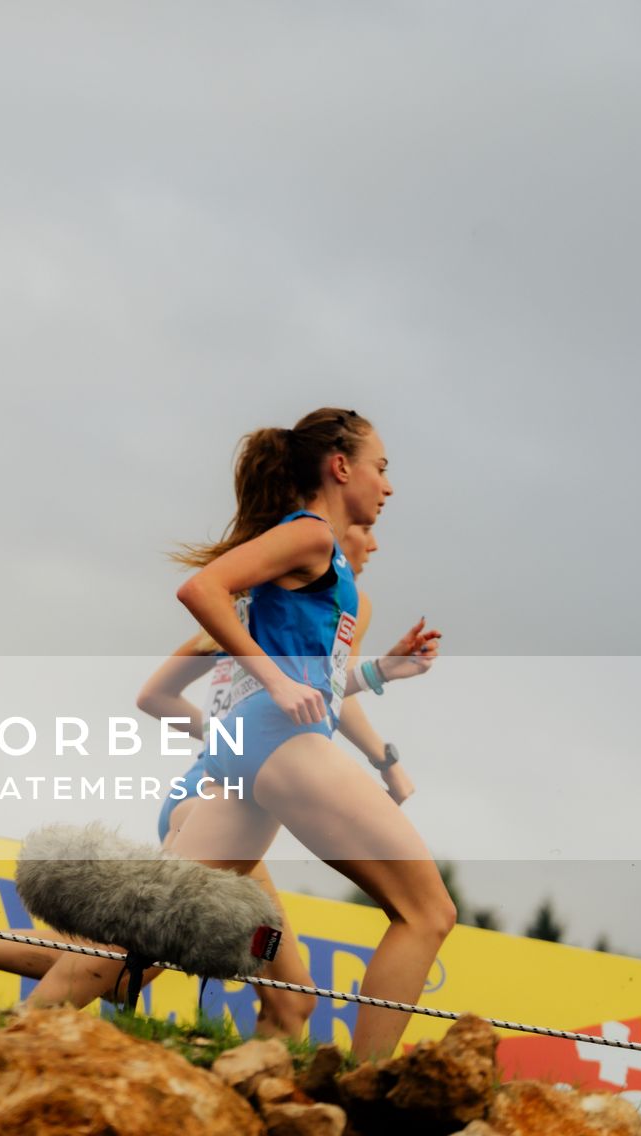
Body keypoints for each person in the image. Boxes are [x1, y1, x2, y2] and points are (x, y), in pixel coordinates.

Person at [0, 524, 439, 1041]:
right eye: (361, 526)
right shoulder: (272, 609)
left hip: (221, 791)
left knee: (275, 998)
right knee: (133, 959)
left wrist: (374, 684)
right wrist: (255, 744)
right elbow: (209, 697)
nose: (370, 540)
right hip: (219, 797)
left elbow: (304, 695)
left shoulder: (277, 620)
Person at [164, 406, 445, 1059]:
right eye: (381, 467)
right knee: (427, 914)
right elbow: (200, 593)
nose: (389, 487)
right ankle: (364, 1092)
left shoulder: (337, 582)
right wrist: (274, 687)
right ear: (340, 467)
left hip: (250, 755)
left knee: (160, 937)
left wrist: (380, 672)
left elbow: (317, 688)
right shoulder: (312, 538)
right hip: (261, 753)